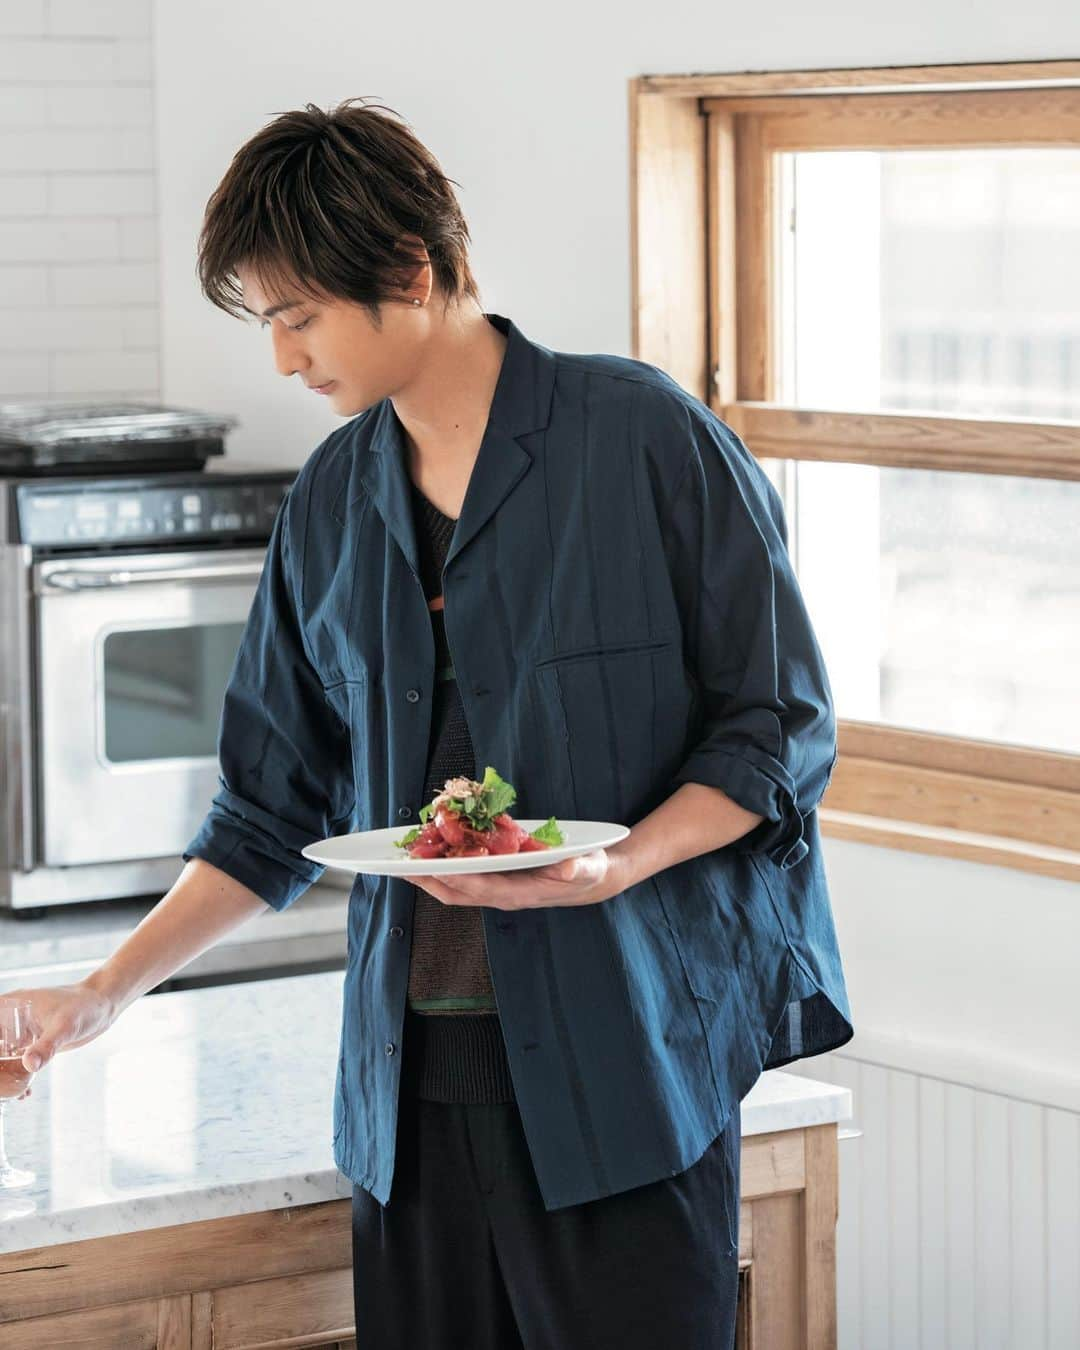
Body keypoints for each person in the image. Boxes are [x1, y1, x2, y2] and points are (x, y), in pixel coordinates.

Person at [13, 97, 855, 1349]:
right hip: (406, 1108)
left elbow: (776, 724)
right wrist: (101, 992)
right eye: (268, 323)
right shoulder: (333, 499)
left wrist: (620, 862)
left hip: (624, 1077)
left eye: (298, 315)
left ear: (410, 272)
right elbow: (266, 809)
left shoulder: (643, 439)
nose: (284, 360)